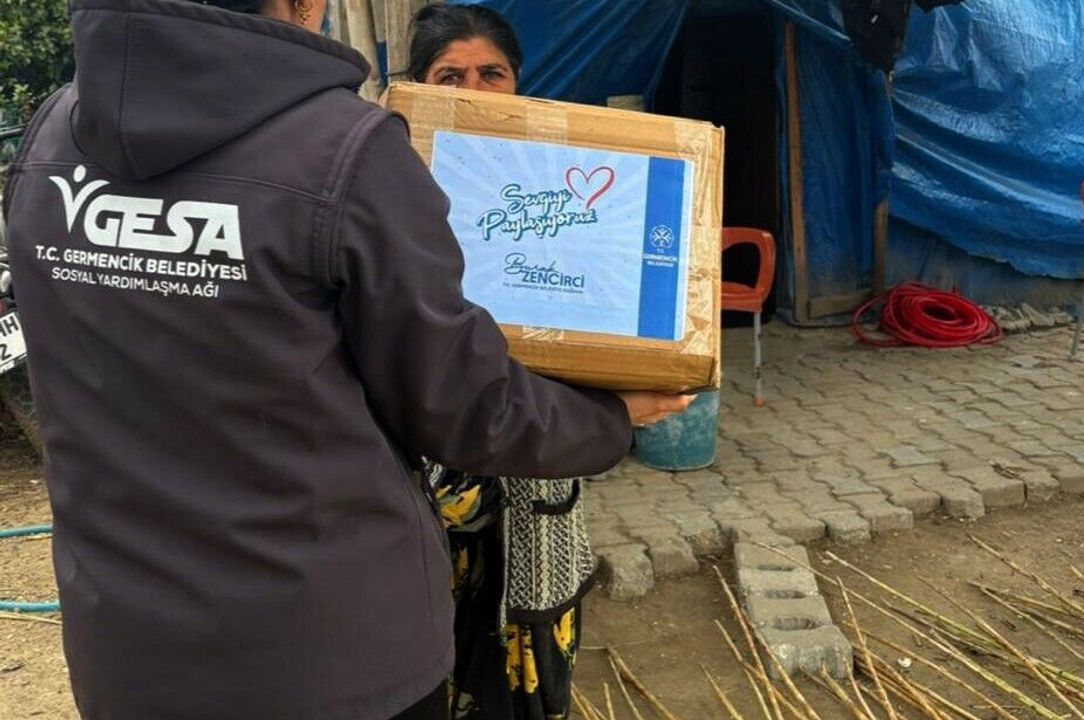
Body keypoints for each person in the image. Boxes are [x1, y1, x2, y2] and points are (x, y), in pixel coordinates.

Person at [0, 0, 691, 718]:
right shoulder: (345, 149)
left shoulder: (52, 137)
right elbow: (463, 407)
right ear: (305, 4)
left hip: (129, 652)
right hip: (331, 658)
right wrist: (611, 416)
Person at [405, 7, 629, 719]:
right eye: (450, 76)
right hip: (433, 484)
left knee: (526, 682)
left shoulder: (561, 183)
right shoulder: (392, 196)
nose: (474, 90)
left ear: (518, 81)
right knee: (434, 670)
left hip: (537, 485)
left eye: (491, 73)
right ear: (419, 87)